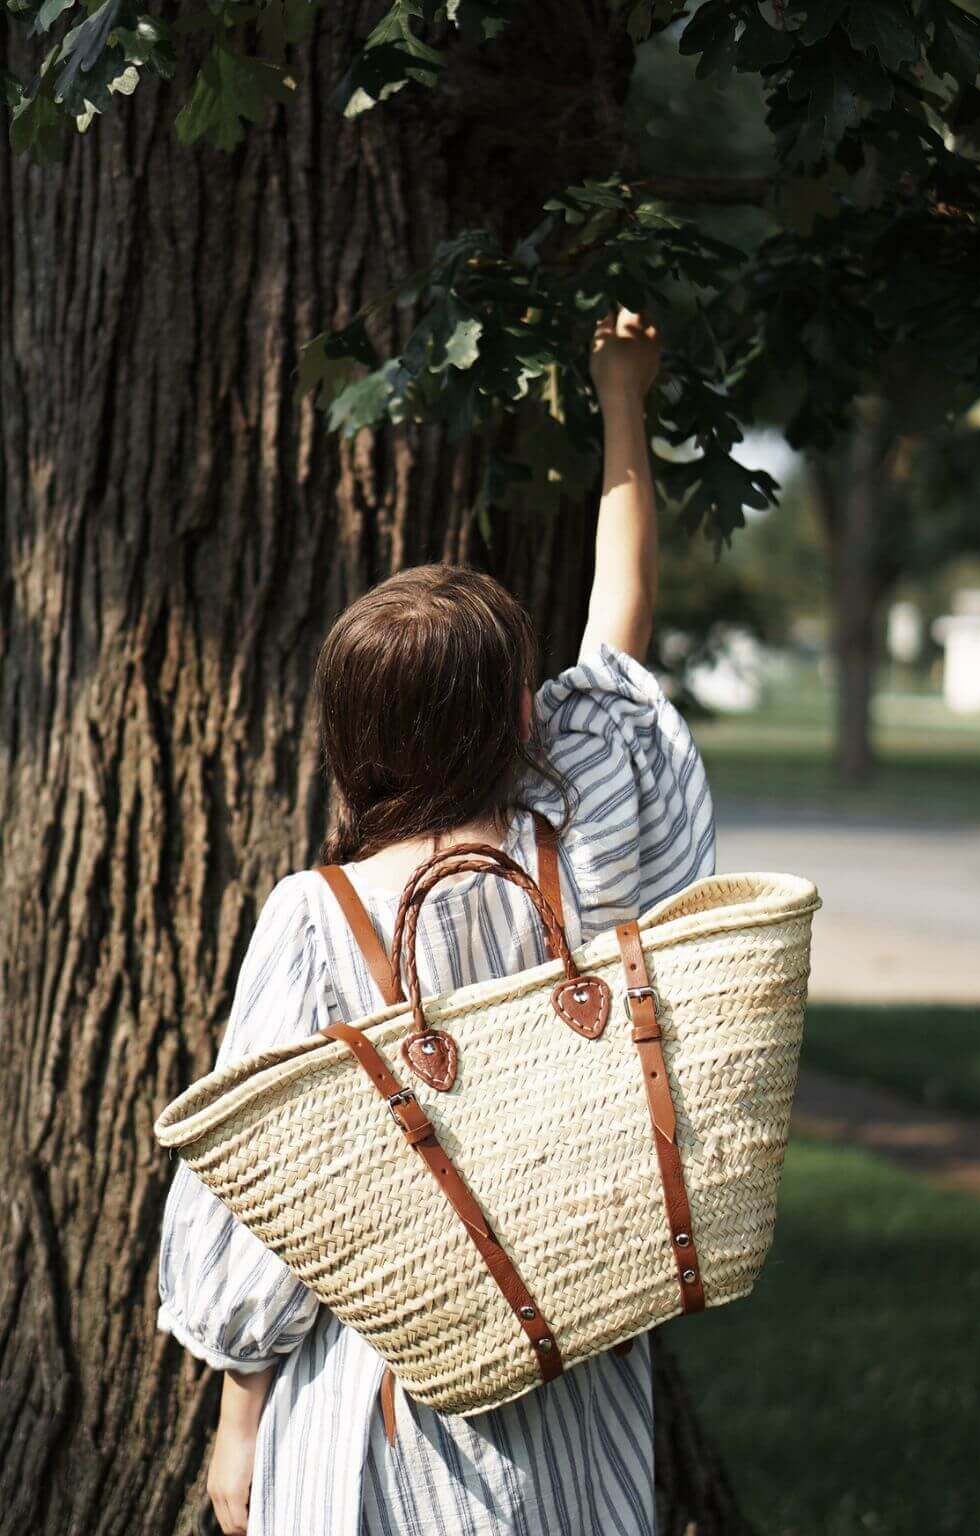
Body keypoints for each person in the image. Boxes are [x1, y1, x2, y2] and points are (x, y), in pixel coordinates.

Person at [157, 309, 716, 1536]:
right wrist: (624, 396)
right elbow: (619, 621)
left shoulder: (317, 920)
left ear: (351, 737)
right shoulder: (587, 835)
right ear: (523, 716)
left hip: (380, 1393)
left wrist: (237, 1420)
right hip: (570, 1363)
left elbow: (266, 1192)